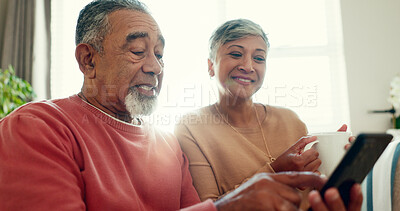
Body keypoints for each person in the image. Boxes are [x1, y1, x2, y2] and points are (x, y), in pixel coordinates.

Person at [0, 0, 362, 210]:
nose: (155, 66)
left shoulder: (167, 144)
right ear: (88, 60)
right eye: (138, 51)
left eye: (159, 54)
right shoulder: (39, 127)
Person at [174, 18, 350, 207]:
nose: (248, 66)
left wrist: (341, 166)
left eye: (258, 58)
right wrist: (275, 171)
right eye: (235, 54)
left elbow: (315, 195)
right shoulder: (191, 128)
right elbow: (209, 208)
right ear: (210, 66)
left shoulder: (291, 120)